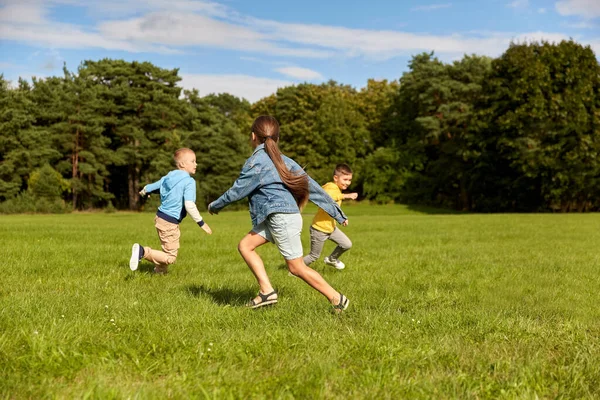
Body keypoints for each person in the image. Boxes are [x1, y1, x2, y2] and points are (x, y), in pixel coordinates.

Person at [208, 115, 350, 311]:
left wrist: (215, 205)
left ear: (253, 136)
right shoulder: (285, 161)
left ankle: (337, 298)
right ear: (277, 138)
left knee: (296, 267)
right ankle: (266, 292)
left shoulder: (255, 162)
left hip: (281, 218)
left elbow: (237, 190)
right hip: (280, 216)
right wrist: (337, 213)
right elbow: (315, 188)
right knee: (245, 246)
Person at [129, 148, 212, 274]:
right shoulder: (189, 181)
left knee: (166, 249)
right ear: (182, 164)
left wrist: (145, 192)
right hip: (169, 222)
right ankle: (142, 251)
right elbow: (189, 205)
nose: (196, 164)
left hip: (160, 218)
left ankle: (160, 273)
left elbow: (152, 187)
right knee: (170, 257)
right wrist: (201, 223)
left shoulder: (169, 176)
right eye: (193, 161)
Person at [303, 164, 357, 270]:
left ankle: (332, 259)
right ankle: (294, 269)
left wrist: (341, 218)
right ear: (336, 178)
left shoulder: (337, 188)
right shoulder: (330, 187)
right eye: (345, 179)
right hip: (319, 229)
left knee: (346, 244)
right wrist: (346, 196)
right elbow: (329, 198)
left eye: (349, 180)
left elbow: (334, 207)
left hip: (331, 228)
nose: (347, 183)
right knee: (313, 256)